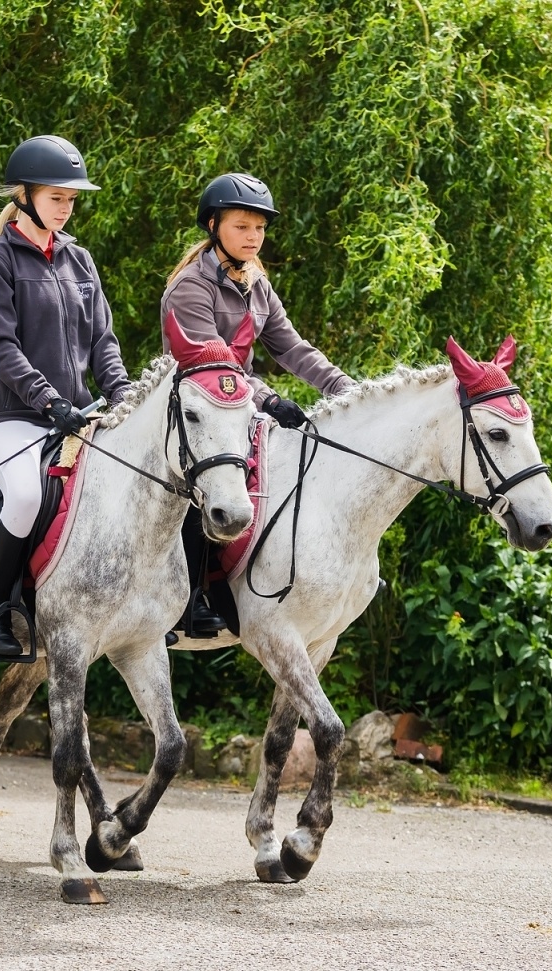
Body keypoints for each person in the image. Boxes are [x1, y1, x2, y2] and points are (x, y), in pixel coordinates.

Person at [161, 173, 354, 637]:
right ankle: (189, 596)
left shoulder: (256, 283)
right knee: (210, 479)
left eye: (260, 228)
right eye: (242, 227)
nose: (253, 237)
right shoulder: (190, 288)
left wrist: (346, 389)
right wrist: (270, 400)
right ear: (213, 226)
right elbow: (218, 370)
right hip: (197, 409)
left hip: (241, 406)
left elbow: (292, 348)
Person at [0, 135, 131, 661]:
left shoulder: (80, 260)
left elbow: (103, 342)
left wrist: (122, 393)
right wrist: (48, 401)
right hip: (14, 416)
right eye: (56, 197)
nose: (65, 208)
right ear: (25, 197)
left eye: (71, 199)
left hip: (78, 416)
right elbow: (3, 348)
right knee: (24, 497)